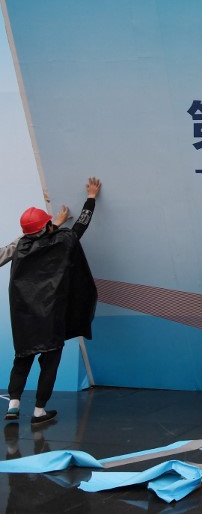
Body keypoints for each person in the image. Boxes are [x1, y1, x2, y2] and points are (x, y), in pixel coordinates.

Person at [2, 177, 102, 427]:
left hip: (24, 320)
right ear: (46, 227)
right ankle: (39, 411)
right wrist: (91, 197)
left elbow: (33, 235)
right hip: (50, 318)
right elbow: (81, 225)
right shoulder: (63, 242)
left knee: (21, 360)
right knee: (49, 364)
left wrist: (53, 223)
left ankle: (13, 405)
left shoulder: (21, 246)